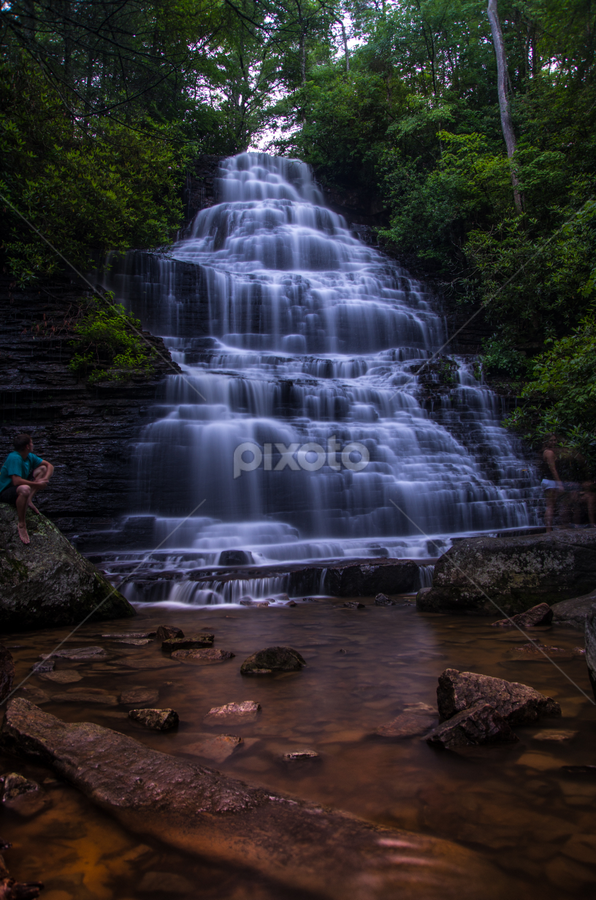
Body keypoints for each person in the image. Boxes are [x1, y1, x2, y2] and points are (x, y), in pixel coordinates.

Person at [0, 433, 54, 545]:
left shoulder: (29, 456)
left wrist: (45, 480)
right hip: (5, 491)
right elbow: (16, 481)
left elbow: (49, 466)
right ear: (27, 446)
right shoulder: (14, 457)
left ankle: (28, 499)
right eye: (31, 443)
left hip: (19, 488)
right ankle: (21, 524)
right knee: (24, 488)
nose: (33, 444)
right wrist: (38, 485)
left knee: (42, 469)